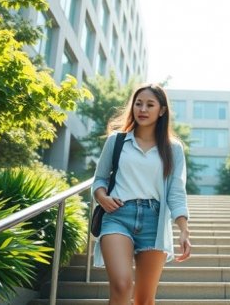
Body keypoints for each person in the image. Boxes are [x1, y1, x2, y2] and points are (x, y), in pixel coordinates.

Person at [91, 83, 191, 305]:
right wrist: (102, 197)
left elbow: (176, 191)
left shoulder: (173, 148)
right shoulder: (117, 141)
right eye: (138, 104)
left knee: (144, 300)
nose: (142, 109)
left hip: (154, 223)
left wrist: (183, 229)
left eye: (149, 104)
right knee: (122, 285)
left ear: (162, 110)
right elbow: (99, 179)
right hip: (117, 216)